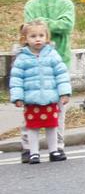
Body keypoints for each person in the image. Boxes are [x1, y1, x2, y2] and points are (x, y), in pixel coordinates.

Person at [23, 0, 74, 161]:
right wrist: (52, 25)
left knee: (58, 108)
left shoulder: (66, 4)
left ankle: (58, 146)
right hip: (33, 63)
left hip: (59, 62)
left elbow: (67, 26)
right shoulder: (31, 5)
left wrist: (41, 25)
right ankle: (28, 147)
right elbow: (28, 28)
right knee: (31, 108)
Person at [9, 20, 70, 164]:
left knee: (52, 125)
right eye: (33, 36)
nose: (38, 39)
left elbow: (61, 75)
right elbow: (16, 79)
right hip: (31, 100)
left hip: (50, 98)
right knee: (32, 127)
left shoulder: (52, 55)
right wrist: (17, 97)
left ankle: (54, 150)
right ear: (25, 39)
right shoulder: (22, 58)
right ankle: (33, 152)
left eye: (41, 35)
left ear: (47, 38)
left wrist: (64, 93)